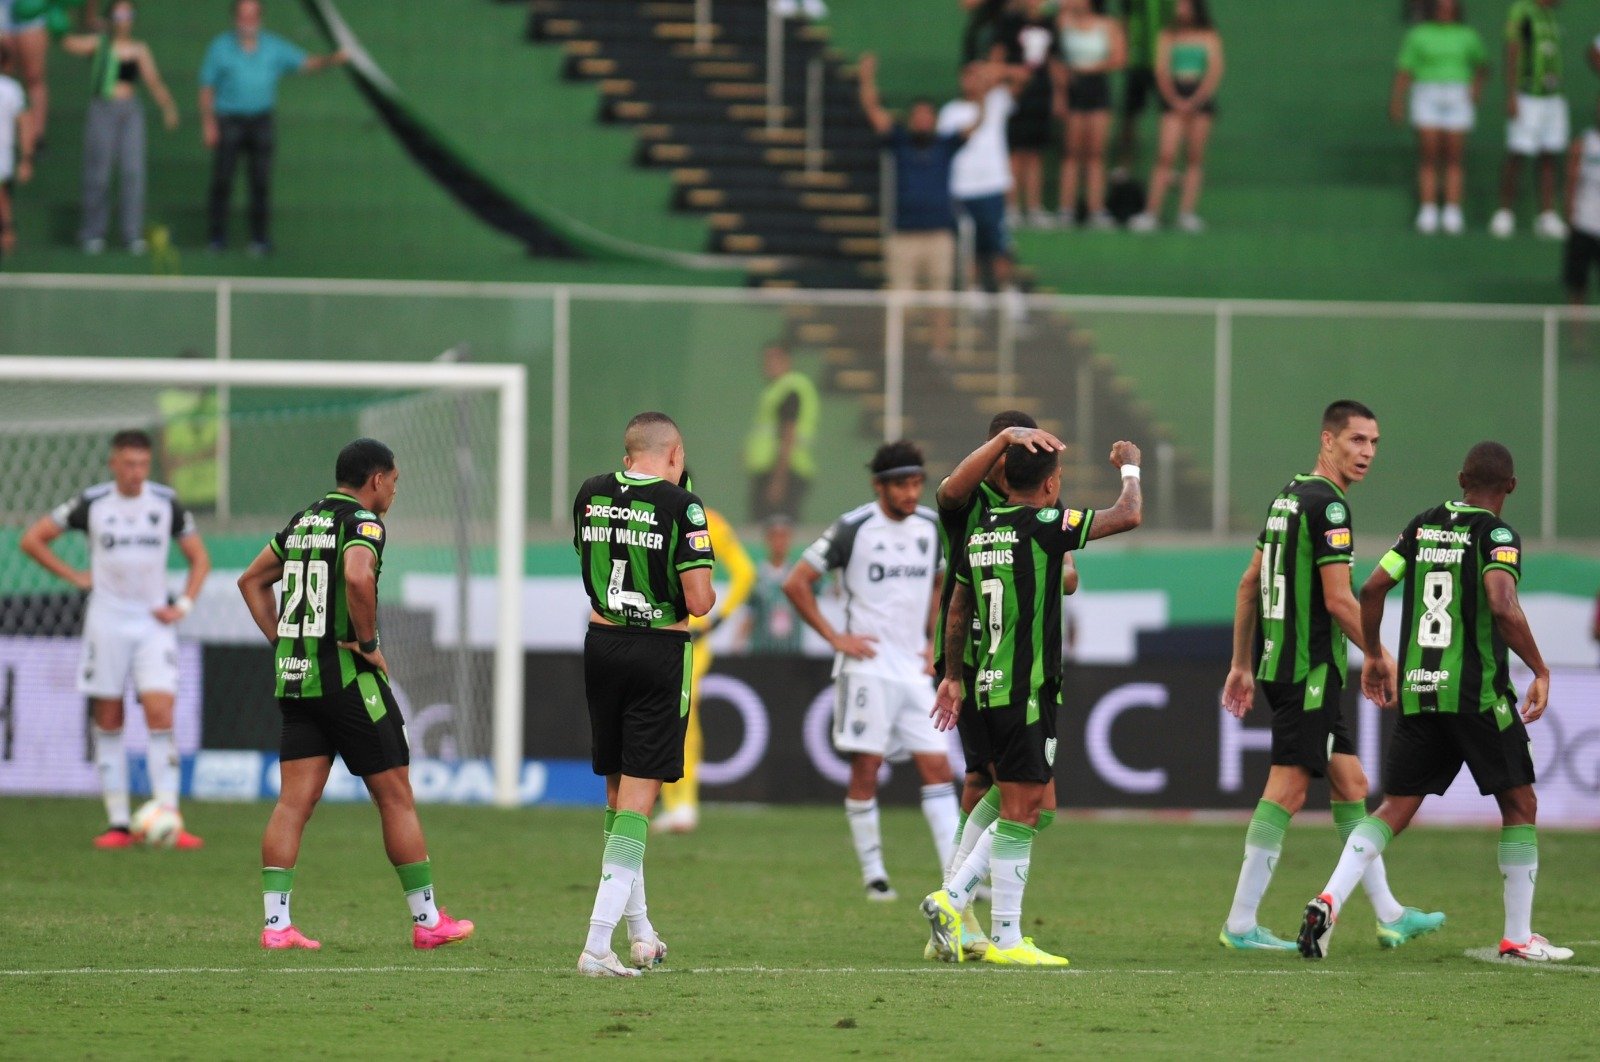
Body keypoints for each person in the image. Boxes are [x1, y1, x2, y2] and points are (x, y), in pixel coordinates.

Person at [1299, 442, 1572, 964]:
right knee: (1520, 805)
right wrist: (1539, 668)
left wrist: (1377, 656)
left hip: (1421, 690)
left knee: (1394, 807)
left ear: (1460, 477)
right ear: (1510, 487)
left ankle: (1329, 898)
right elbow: (1501, 601)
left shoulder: (1424, 524)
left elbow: (1373, 588)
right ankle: (1517, 937)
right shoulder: (1496, 535)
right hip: (1477, 694)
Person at [1217, 400, 1443, 952]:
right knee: (1289, 791)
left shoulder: (1286, 498)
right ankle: (1240, 924)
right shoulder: (1330, 508)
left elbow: (1250, 582)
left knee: (1352, 785)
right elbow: (1341, 600)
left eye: (1373, 443)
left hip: (1280, 664)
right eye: (1356, 440)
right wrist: (1379, 655)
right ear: (1328, 440)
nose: (1366, 452)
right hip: (1307, 670)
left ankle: (1389, 914)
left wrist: (1242, 664)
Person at [236, 438, 474, 951]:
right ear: (376, 480)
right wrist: (368, 644)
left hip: (297, 677)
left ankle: (276, 926)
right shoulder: (362, 524)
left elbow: (251, 580)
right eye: (393, 481)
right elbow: (357, 576)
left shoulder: (304, 521)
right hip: (346, 676)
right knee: (394, 795)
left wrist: (284, 641)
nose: (393, 491)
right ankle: (428, 920)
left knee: (293, 802)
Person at [922, 438, 1143, 966]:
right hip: (1026, 691)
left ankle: (954, 897)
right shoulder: (1045, 526)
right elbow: (1128, 514)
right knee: (1023, 811)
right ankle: (1001, 935)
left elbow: (956, 608)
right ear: (1049, 483)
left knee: (1031, 803)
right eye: (1059, 475)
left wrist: (953, 675)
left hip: (986, 684)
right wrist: (1130, 466)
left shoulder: (979, 534)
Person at [571, 412, 716, 977]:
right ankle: (596, 945)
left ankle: (640, 934)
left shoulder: (589, 493)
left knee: (617, 796)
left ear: (629, 451)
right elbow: (699, 600)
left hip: (602, 645)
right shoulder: (685, 506)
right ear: (675, 454)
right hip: (658, 653)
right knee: (639, 803)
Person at [19, 429, 209, 849]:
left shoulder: (165, 503)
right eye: (128, 463)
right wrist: (75, 577)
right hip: (105, 620)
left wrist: (182, 607)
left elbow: (200, 559)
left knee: (161, 711)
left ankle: (169, 814)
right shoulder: (93, 503)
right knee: (108, 718)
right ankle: (119, 823)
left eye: (142, 463)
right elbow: (32, 539)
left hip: (153, 623)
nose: (136, 472)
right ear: (113, 463)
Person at [783, 441, 953, 902]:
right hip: (868, 668)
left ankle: (955, 878)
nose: (911, 491)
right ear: (880, 486)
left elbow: (940, 586)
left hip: (914, 670)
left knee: (938, 766)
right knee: (867, 766)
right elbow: (796, 581)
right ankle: (875, 874)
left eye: (917, 482)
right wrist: (836, 637)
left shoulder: (932, 529)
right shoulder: (853, 528)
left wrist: (932, 644)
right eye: (902, 483)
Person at [925, 411, 1068, 961]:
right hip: (978, 662)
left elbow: (1065, 569)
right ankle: (959, 913)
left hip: (1015, 661)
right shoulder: (969, 500)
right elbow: (947, 490)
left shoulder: (1035, 507)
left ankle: (953, 907)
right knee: (985, 780)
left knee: (1031, 799)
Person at [198, 0, 346, 255]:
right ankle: (217, 238)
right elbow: (206, 87)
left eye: (253, 16)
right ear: (235, 18)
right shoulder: (220, 47)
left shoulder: (273, 46)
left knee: (260, 181)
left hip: (261, 122)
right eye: (244, 16)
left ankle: (259, 239)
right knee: (223, 180)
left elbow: (306, 63)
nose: (248, 21)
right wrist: (208, 124)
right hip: (229, 121)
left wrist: (333, 59)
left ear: (260, 18)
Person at [655, 485, 755, 834]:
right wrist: (718, 619)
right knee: (673, 715)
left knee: (677, 714)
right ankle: (676, 805)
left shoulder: (658, 516)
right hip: (687, 633)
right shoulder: (706, 520)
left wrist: (717, 619)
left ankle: (683, 805)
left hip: (677, 632)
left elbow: (745, 573)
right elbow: (745, 572)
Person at [61, 0, 178, 255]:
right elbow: (68, 42)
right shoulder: (98, 44)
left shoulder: (138, 49)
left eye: (128, 13)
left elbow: (153, 80)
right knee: (98, 173)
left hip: (130, 113)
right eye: (119, 13)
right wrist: (56, 17)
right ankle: (93, 232)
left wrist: (168, 106)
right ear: (111, 17)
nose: (124, 18)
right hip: (102, 109)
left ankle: (131, 234)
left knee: (133, 172)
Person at [859, 51, 978, 299]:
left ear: (934, 120)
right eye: (918, 115)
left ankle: (941, 340)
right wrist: (866, 79)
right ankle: (899, 340)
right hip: (904, 234)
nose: (923, 120)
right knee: (901, 301)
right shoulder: (900, 142)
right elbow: (873, 111)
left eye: (928, 115)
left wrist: (981, 93)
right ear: (911, 119)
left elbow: (977, 123)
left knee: (940, 301)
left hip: (938, 234)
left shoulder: (946, 145)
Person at [1390, 0, 1489, 236]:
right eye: (1441, 7)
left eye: (1450, 7)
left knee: (1454, 154)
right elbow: (1405, 69)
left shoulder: (1467, 35)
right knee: (1429, 152)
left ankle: (1453, 209)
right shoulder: (1419, 34)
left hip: (1457, 93)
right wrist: (1397, 100)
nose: (1445, 11)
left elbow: (1480, 65)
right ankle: (1429, 208)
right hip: (1427, 92)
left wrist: (1476, 88)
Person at [1128, 0, 1223, 233]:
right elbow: (1161, 69)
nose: (1181, 10)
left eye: (1185, 5)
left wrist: (1195, 100)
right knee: (1166, 155)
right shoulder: (1167, 35)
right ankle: (1151, 213)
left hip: (1199, 97)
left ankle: (1186, 213)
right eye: (1178, 6)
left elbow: (1214, 70)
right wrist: (1174, 98)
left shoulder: (1208, 35)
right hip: (1173, 97)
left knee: (1194, 156)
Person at [938, 59, 1029, 299]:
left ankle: (1008, 292)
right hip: (962, 188)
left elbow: (1023, 78)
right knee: (971, 245)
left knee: (1000, 245)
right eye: (969, 76)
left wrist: (998, 70)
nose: (973, 82)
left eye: (978, 76)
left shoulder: (997, 100)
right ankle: (973, 292)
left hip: (993, 185)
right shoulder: (951, 111)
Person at [1491, 0, 1569, 240]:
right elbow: (1513, 49)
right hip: (1527, 95)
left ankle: (1546, 215)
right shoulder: (1522, 11)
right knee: (1518, 153)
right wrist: (1512, 93)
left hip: (1552, 96)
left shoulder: (1552, 16)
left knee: (1550, 154)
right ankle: (1504, 212)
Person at [1054, 0, 1126, 229]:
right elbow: (1054, 56)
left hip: (1097, 89)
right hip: (1073, 90)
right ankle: (1066, 208)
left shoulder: (1108, 24)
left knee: (1095, 152)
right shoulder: (1062, 21)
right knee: (1071, 152)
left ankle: (1096, 209)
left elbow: (1119, 57)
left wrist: (1087, 67)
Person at [997, 0, 1059, 228]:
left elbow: (1053, 61)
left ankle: (1033, 207)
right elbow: (999, 55)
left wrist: (1058, 94)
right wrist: (1011, 78)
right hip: (1015, 92)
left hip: (1040, 93)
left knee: (1034, 152)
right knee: (1014, 151)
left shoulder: (1049, 24)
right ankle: (1011, 207)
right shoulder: (1010, 22)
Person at [743, 344, 819, 523]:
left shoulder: (789, 389)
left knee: (776, 528)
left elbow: (788, 433)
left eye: (774, 359)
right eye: (766, 360)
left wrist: (779, 479)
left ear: (787, 361)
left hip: (783, 470)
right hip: (776, 469)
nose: (768, 365)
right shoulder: (776, 389)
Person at [1113, 0, 1174, 175]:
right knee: (1130, 117)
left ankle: (1168, 166)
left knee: (1169, 117)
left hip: (1164, 64)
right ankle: (1124, 165)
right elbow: (1124, 22)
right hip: (1136, 64)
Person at [1562, 97, 1600, 335]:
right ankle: (1577, 336)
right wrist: (1570, 215)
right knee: (1578, 284)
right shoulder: (1583, 143)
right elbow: (1571, 182)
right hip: (1584, 223)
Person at [741, 517, 804, 654]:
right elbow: (749, 613)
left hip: (793, 653)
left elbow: (829, 593)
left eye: (784, 537)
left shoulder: (799, 576)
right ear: (767, 540)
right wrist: (738, 645)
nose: (779, 542)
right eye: (775, 537)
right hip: (762, 654)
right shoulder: (756, 576)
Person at [0, 37, 35, 258]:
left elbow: (25, 122)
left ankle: (7, 234)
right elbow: (26, 124)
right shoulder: (12, 88)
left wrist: (26, 158)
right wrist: (26, 158)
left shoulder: (10, 89)